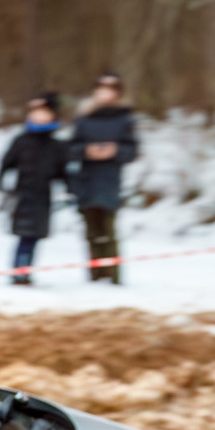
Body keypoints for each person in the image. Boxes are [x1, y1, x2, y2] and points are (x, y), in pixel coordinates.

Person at [69, 72, 139, 283]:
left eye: (110, 89)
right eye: (101, 89)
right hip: (86, 180)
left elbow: (132, 150)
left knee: (109, 230)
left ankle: (114, 276)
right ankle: (95, 275)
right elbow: (70, 148)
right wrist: (87, 151)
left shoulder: (125, 119)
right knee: (91, 231)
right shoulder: (83, 119)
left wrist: (114, 151)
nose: (104, 93)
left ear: (117, 93)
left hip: (110, 181)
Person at [0, 93, 68, 286]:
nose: (39, 117)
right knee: (24, 236)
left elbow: (63, 172)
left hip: (43, 197)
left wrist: (69, 190)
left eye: (44, 113)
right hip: (22, 195)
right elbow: (5, 165)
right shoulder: (21, 141)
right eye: (35, 113)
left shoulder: (57, 146)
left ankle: (25, 270)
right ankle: (19, 272)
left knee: (34, 237)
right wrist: (3, 186)